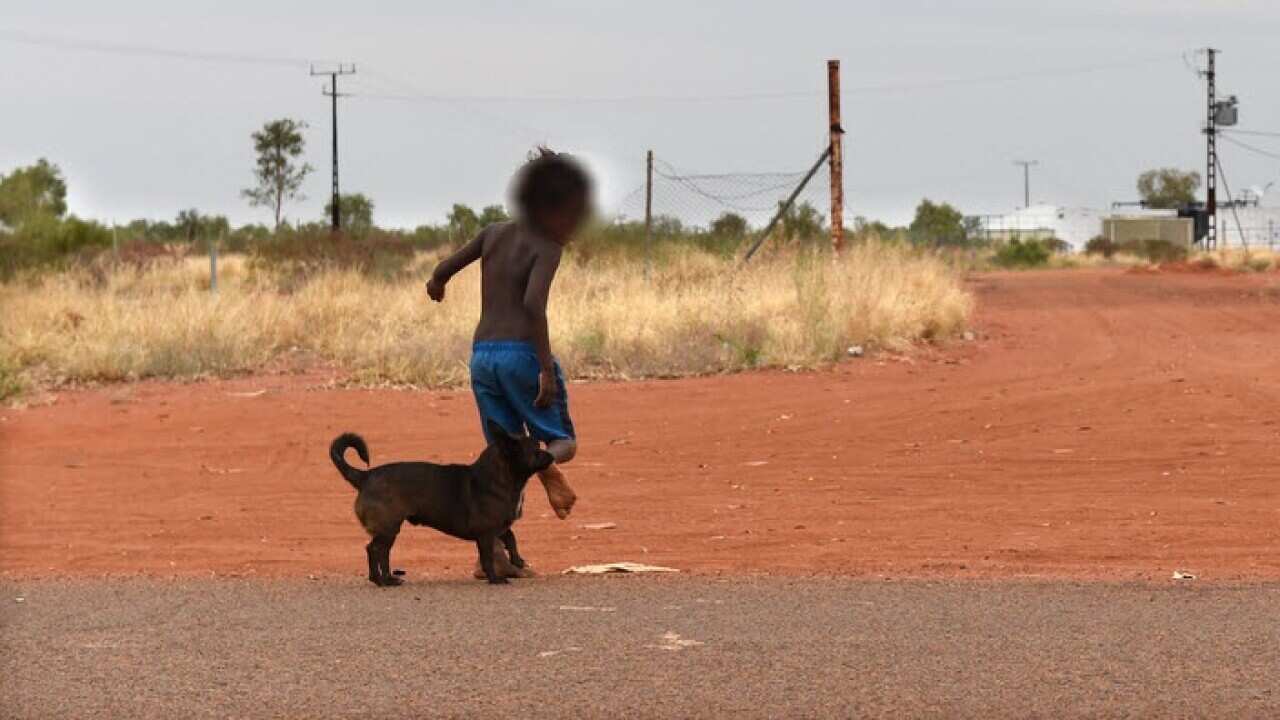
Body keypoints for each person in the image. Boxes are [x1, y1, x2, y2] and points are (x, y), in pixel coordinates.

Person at [426, 148, 590, 572]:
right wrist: (544, 368)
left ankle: (493, 556)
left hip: (482, 357)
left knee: (501, 455)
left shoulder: (493, 234)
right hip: (522, 355)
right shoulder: (547, 246)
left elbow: (442, 270)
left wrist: (437, 286)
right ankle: (547, 470)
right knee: (563, 443)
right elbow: (533, 305)